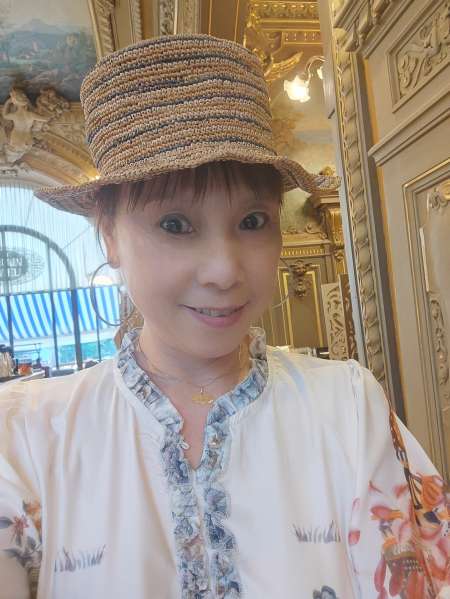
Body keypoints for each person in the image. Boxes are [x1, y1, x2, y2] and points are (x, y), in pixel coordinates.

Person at [0, 34, 448, 599]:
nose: (224, 270)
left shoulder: (348, 407)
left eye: (253, 221)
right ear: (109, 235)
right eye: (175, 225)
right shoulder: (27, 435)